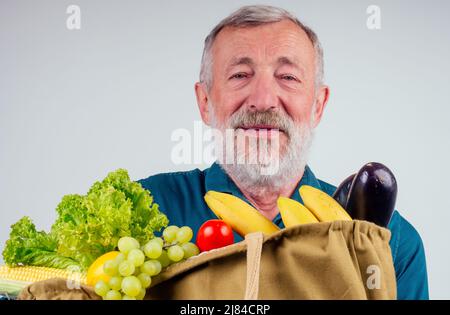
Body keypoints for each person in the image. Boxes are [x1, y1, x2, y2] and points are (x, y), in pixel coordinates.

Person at [138, 5, 428, 299]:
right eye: (240, 75)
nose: (263, 100)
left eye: (288, 77)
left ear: (318, 105)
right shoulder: (146, 211)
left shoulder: (391, 242)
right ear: (205, 102)